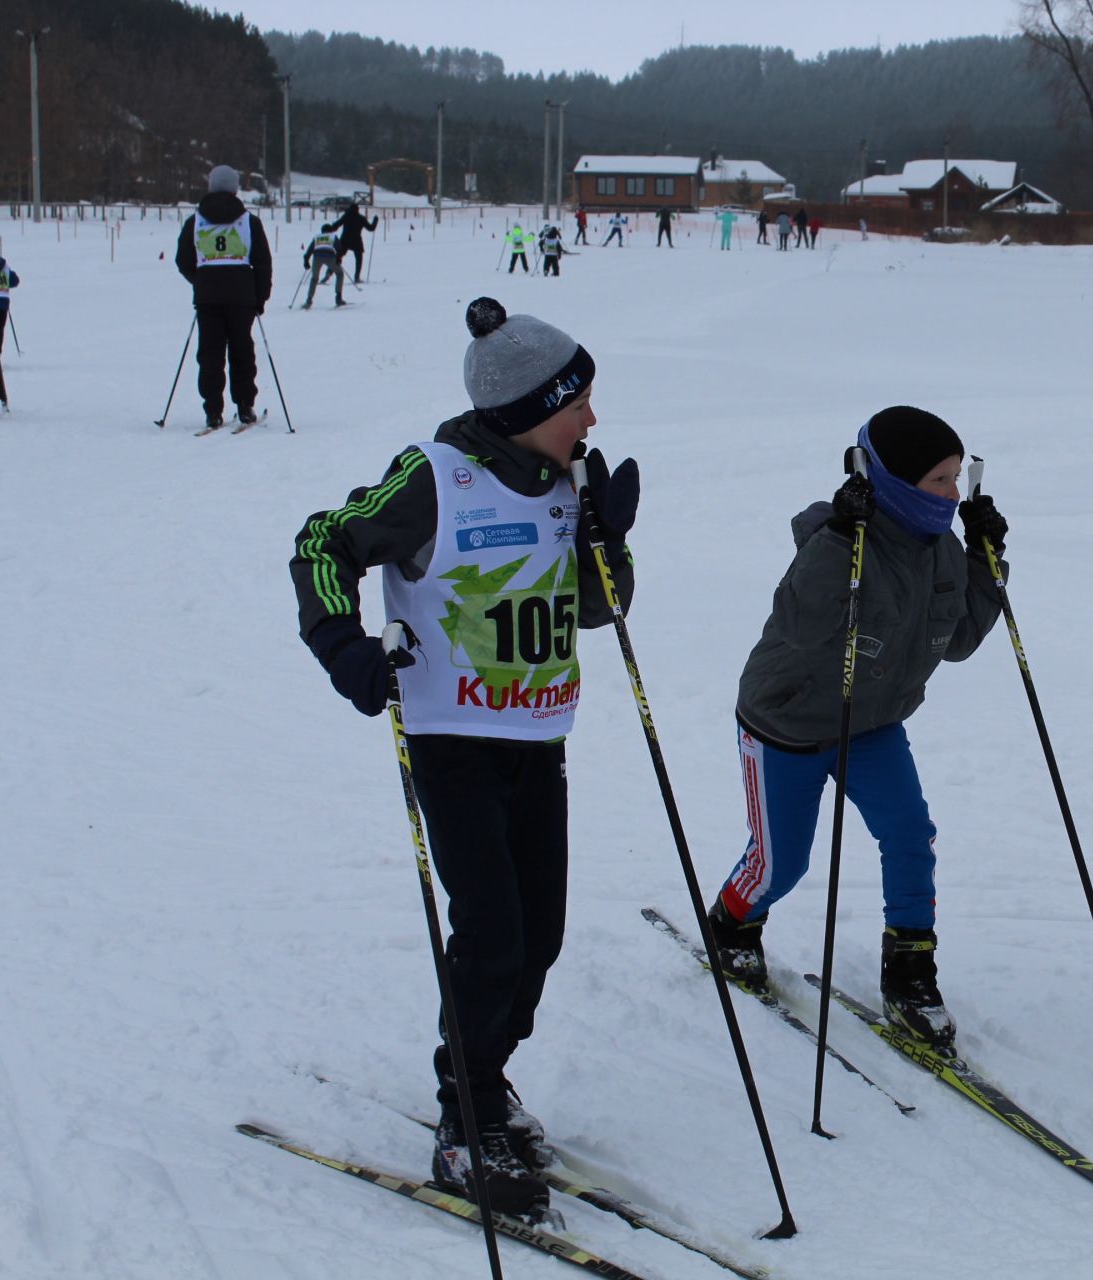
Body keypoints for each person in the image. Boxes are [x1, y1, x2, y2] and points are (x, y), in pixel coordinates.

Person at [288, 296, 641, 1219]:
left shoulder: (566, 484)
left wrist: (609, 537)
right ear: (531, 407)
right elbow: (324, 541)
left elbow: (601, 610)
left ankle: (484, 1071)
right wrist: (346, 647)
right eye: (580, 404)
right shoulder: (434, 478)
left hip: (538, 745)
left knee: (541, 938)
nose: (593, 420)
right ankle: (467, 1109)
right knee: (491, 932)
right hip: (453, 746)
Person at [704, 407, 1009, 1055]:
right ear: (896, 483)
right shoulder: (843, 543)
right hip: (786, 721)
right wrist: (840, 537)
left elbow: (956, 641)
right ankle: (731, 923)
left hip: (870, 722)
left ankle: (909, 974)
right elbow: (802, 623)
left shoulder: (942, 552)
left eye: (960, 478)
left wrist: (987, 559)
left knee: (909, 835)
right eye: (940, 481)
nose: (955, 495)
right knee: (781, 864)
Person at [176, 164, 272, 429]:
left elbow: (183, 260)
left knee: (210, 354)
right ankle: (245, 407)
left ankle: (213, 412)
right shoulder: (248, 222)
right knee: (242, 351)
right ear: (235, 188)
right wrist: (260, 297)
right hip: (241, 297)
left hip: (208, 298)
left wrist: (202, 280)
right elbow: (263, 262)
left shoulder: (195, 221)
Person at [321, 200, 378, 284]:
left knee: (338, 257)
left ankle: (328, 273)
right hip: (356, 240)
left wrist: (327, 230)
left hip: (345, 240)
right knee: (359, 259)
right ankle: (357, 277)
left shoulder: (346, 216)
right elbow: (371, 228)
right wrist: (375, 221)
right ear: (357, 210)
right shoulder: (361, 218)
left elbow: (336, 225)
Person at [302, 230, 346, 308]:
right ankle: (338, 298)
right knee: (340, 273)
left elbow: (310, 249)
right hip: (330, 257)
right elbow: (340, 249)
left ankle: (309, 300)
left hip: (317, 258)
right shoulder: (333, 236)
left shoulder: (317, 237)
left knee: (314, 278)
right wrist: (339, 258)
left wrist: (306, 260)